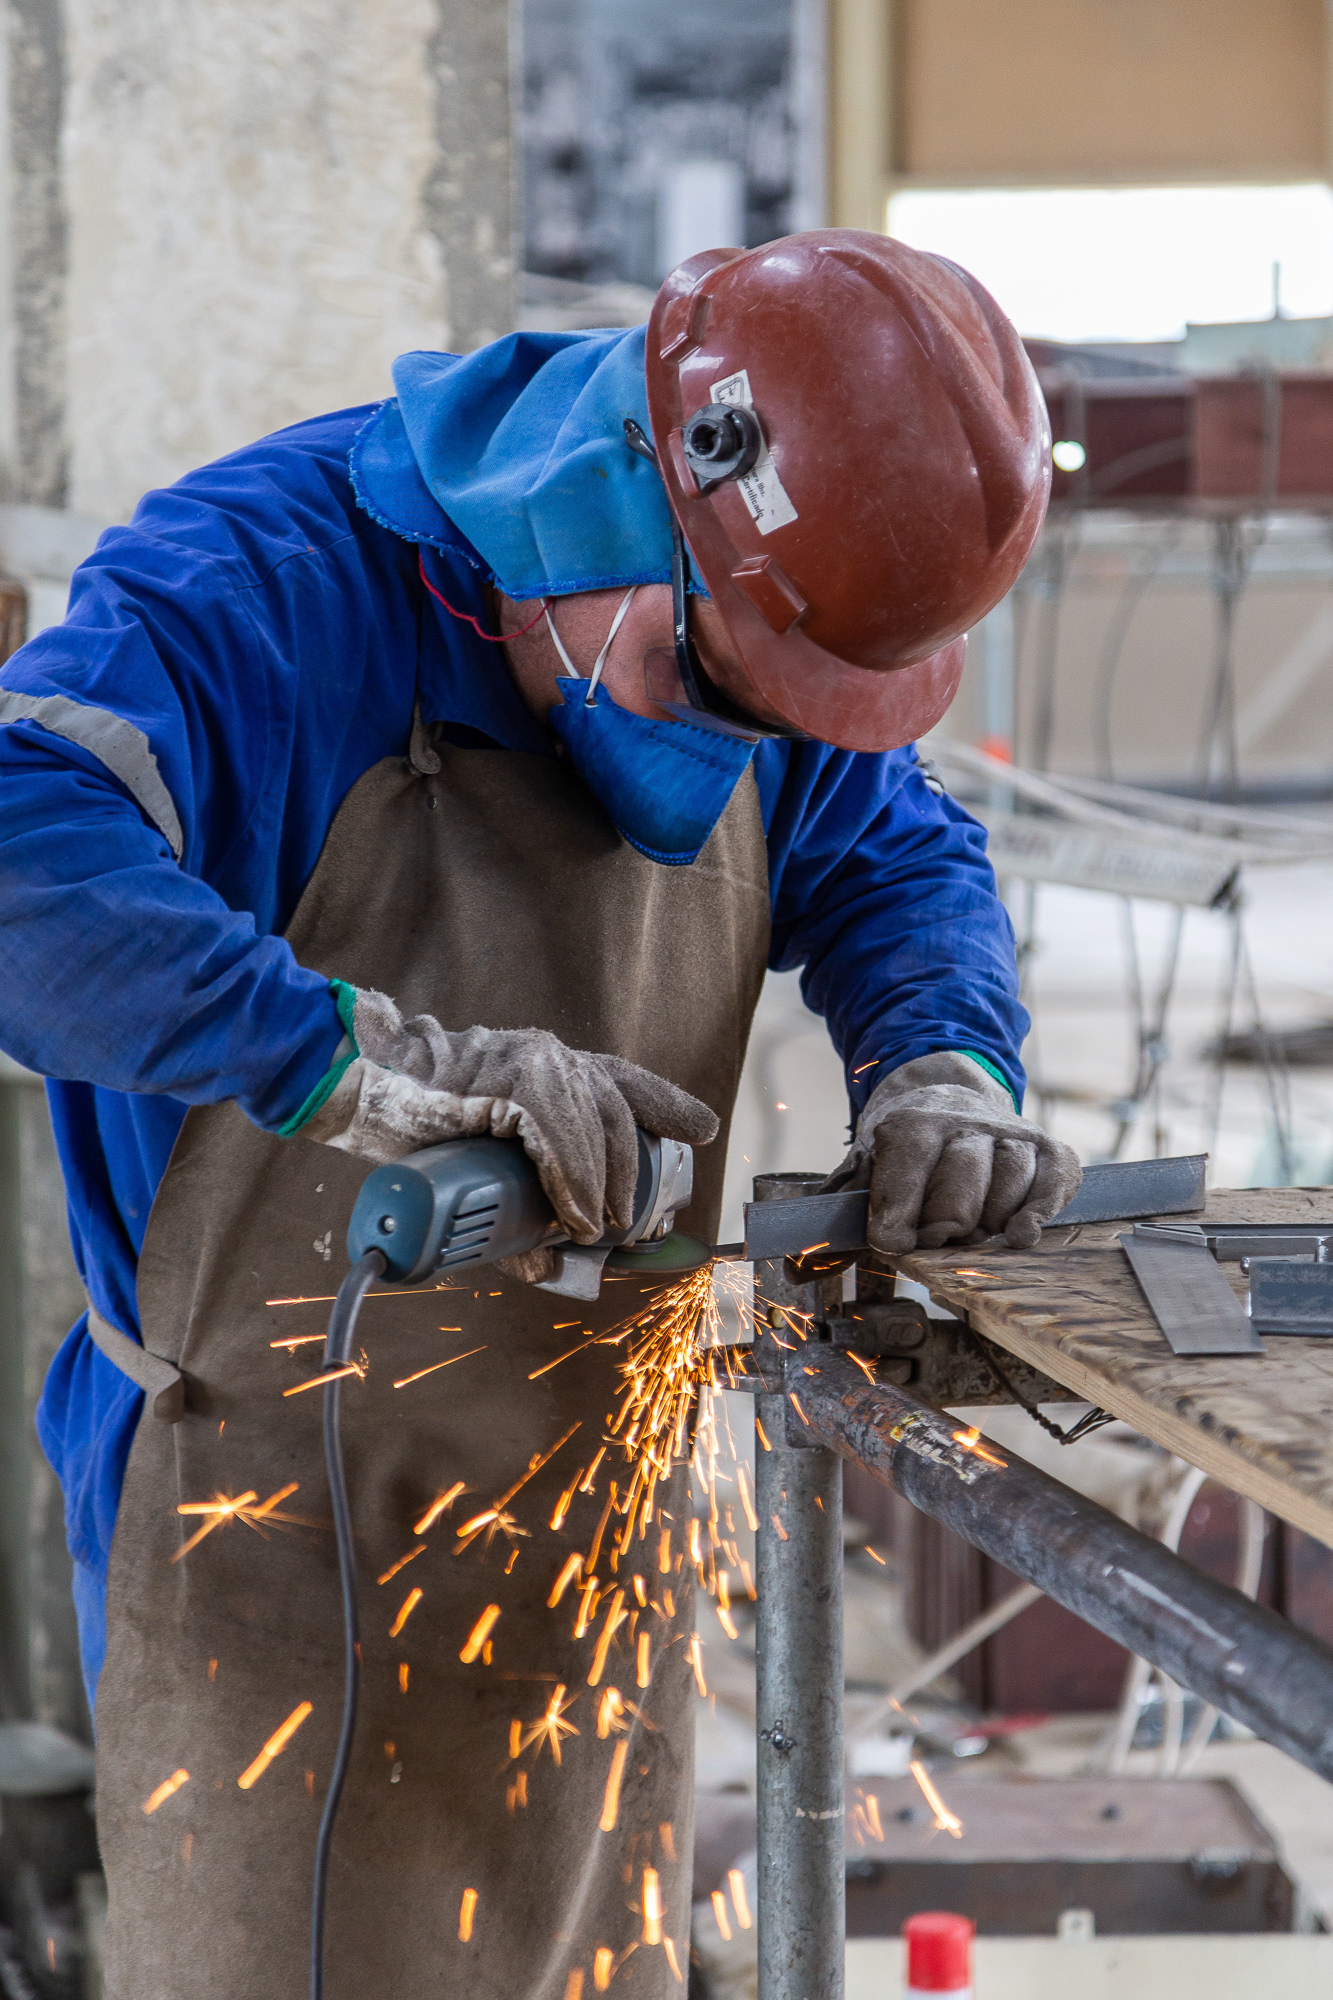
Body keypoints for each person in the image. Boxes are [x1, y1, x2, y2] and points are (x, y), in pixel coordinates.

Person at [0, 231, 1078, 1998]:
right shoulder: (262, 594)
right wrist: (346, 1058)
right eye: (725, 694)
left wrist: (941, 1062)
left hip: (591, 1522)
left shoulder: (769, 597)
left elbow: (894, 858)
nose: (753, 746)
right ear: (603, 513)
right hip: (272, 1535)